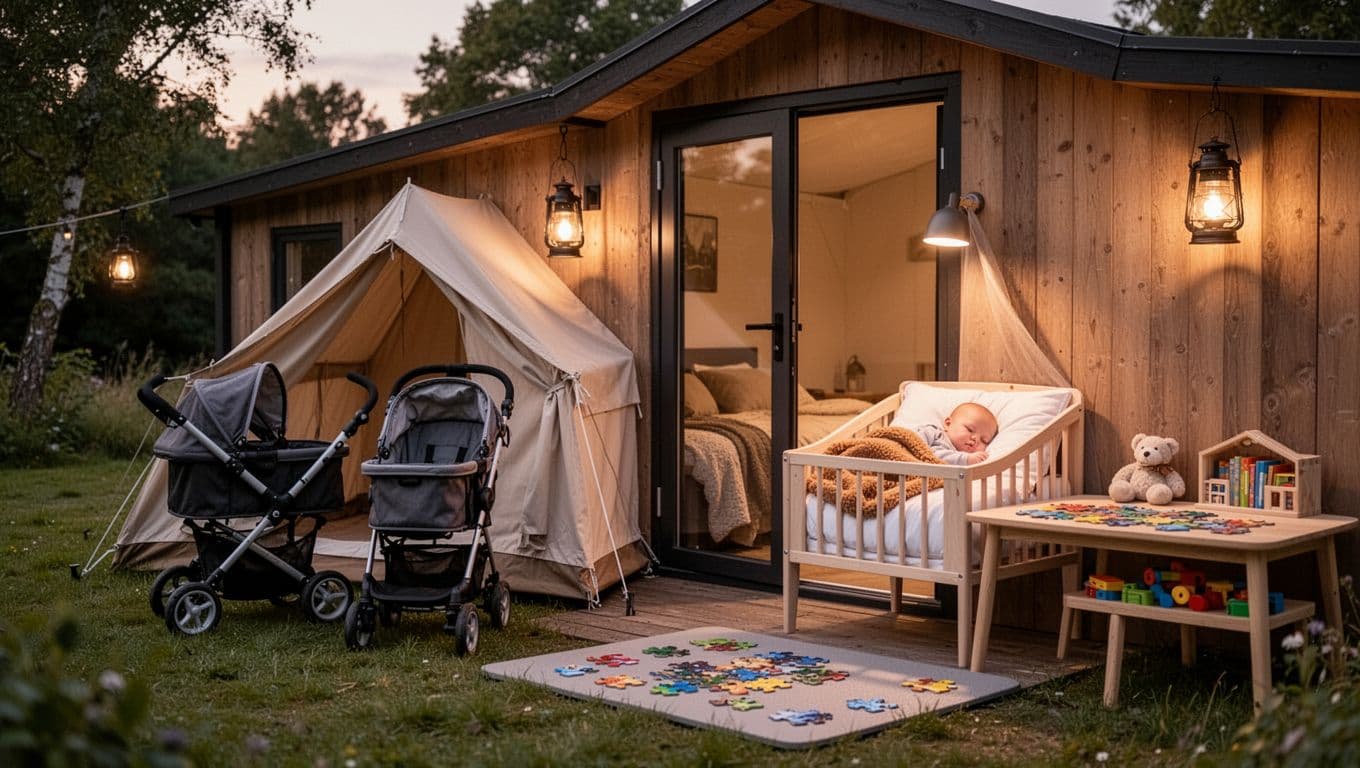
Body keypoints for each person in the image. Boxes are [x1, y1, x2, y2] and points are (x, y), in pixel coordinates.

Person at [914, 402, 998, 466]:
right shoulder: (933, 432)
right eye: (970, 429)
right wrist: (965, 459)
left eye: (984, 440)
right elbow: (919, 449)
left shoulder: (968, 465)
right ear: (948, 424)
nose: (975, 439)